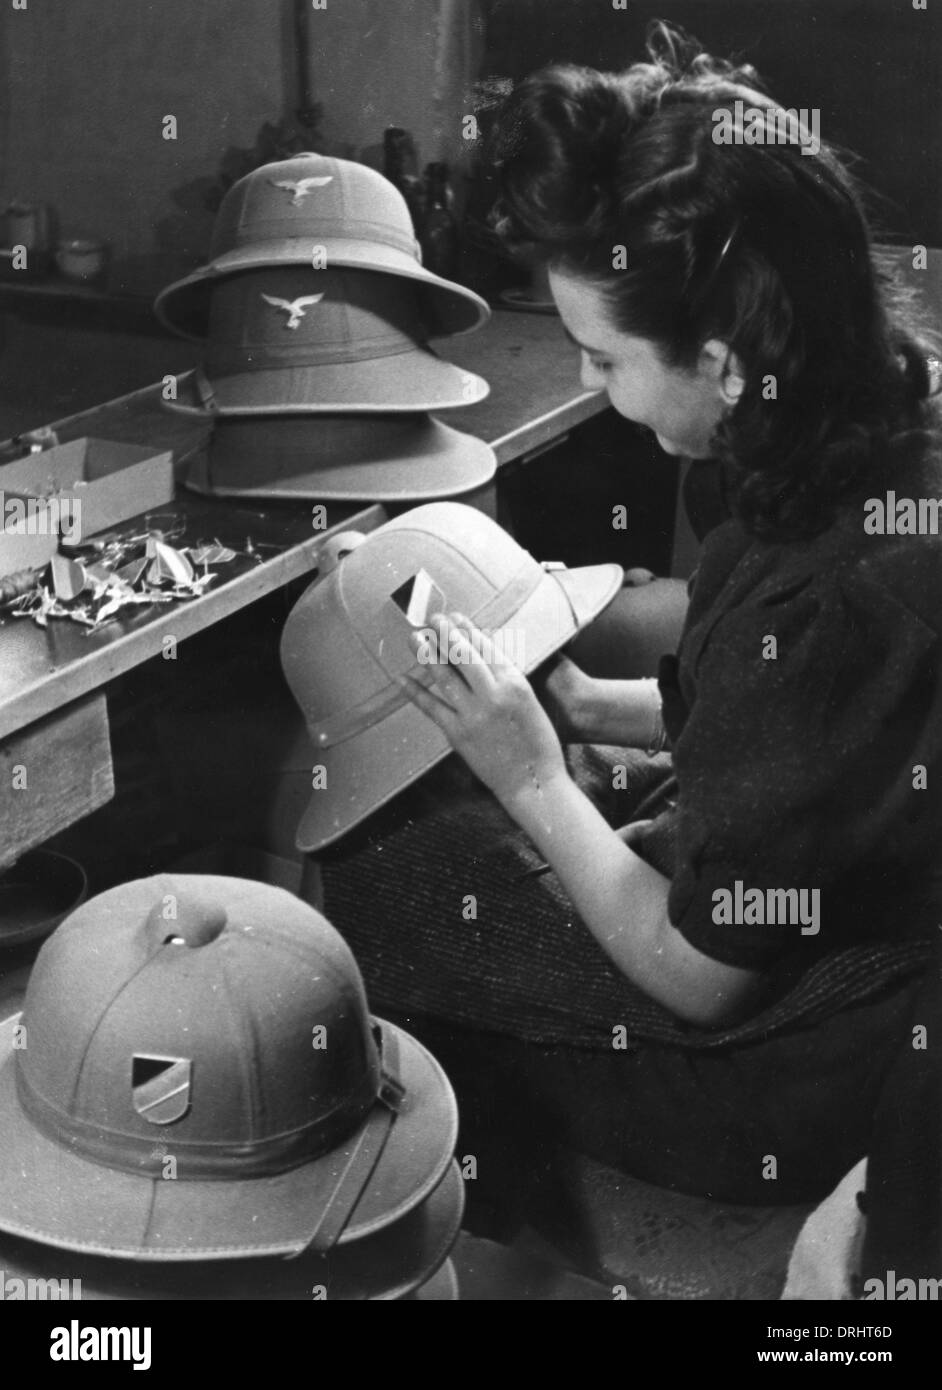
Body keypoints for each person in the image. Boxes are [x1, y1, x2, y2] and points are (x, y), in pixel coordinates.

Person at [320, 22, 942, 1215]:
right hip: (828, 924)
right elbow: (805, 753)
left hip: (788, 1058)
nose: (595, 390)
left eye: (602, 359)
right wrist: (591, 706)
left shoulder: (843, 603)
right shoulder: (851, 434)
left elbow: (705, 976)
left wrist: (537, 778)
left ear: (716, 359)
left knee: (384, 877)